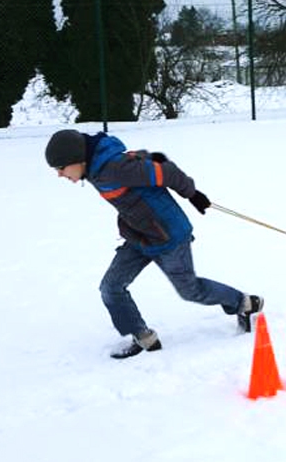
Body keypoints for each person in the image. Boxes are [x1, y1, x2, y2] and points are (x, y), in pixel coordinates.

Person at [45, 129, 264, 359]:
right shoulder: (95, 169)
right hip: (140, 237)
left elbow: (167, 173)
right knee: (111, 287)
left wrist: (192, 194)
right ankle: (144, 338)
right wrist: (150, 157)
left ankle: (244, 303)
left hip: (169, 236)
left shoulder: (113, 168)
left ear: (78, 159)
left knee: (190, 290)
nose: (59, 174)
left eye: (61, 168)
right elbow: (137, 160)